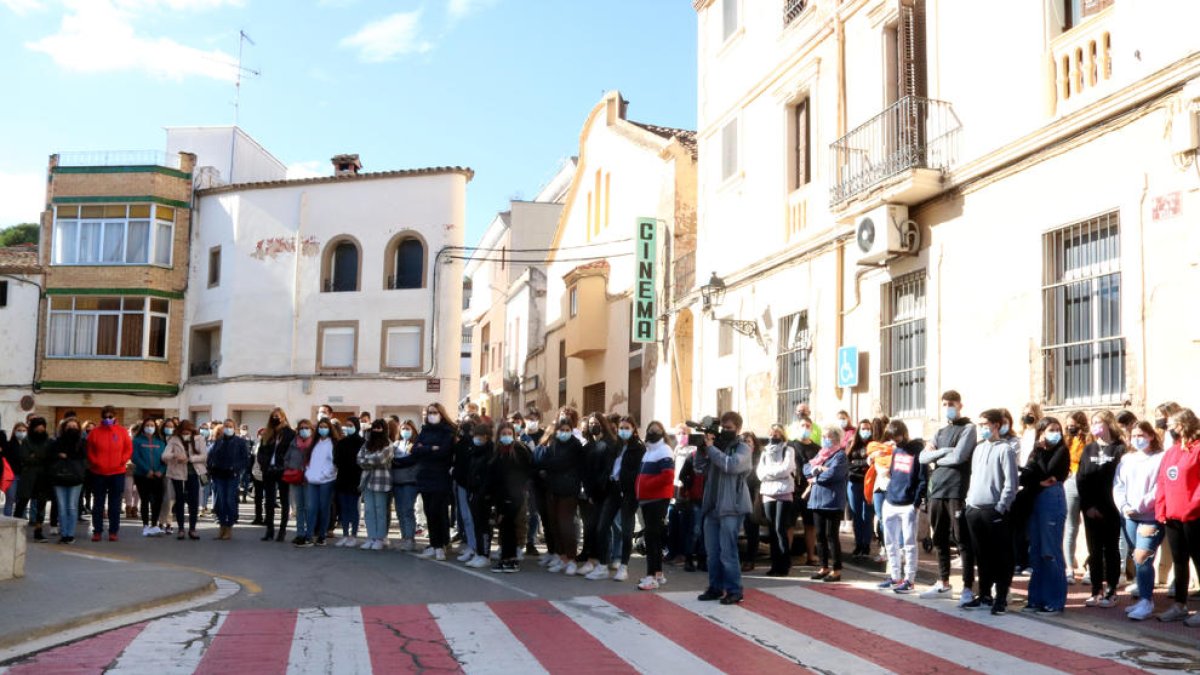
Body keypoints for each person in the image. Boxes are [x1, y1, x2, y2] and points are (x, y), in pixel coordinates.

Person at [919, 391, 977, 602]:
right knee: (939, 537)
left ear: (960, 405)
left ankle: (968, 588)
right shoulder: (940, 431)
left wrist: (938, 455)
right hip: (937, 490)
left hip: (957, 490)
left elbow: (960, 456)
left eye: (951, 404)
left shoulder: (969, 428)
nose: (947, 407)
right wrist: (945, 452)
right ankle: (943, 582)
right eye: (944, 404)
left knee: (962, 538)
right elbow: (923, 458)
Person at [964, 409, 1019, 615]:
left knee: (1001, 556)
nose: (982, 429)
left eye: (985, 425)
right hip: (975, 510)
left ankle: (1001, 598)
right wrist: (969, 503)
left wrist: (1000, 507)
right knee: (982, 555)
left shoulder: (1005, 449)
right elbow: (973, 477)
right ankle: (984, 594)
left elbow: (1011, 483)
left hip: (994, 511)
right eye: (980, 425)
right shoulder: (978, 449)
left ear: (996, 425)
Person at [696, 412, 753, 606]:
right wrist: (702, 450)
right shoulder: (716, 447)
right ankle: (715, 587)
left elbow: (731, 465)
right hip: (712, 506)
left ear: (738, 428)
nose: (725, 431)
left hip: (732, 506)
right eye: (723, 428)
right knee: (712, 552)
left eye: (729, 428)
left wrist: (712, 450)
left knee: (727, 551)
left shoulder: (743, 448)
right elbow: (699, 468)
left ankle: (734, 590)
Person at [1115, 420, 1166, 620]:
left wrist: (1140, 506)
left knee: (1143, 557)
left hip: (1150, 517)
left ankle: (1146, 600)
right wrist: (1124, 506)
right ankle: (1143, 597)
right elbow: (1118, 484)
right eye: (1134, 436)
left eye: (1141, 436)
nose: (1137, 439)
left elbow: (1159, 487)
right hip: (1129, 516)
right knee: (1136, 558)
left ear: (1151, 436)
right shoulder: (1127, 459)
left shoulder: (1160, 458)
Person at [1154, 408, 1200, 623]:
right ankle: (1179, 605)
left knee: (1199, 560)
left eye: (1174, 425)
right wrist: (1161, 508)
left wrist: (1193, 507)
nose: (1170, 429)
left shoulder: (1198, 449)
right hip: (1172, 516)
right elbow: (1163, 481)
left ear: (1185, 424)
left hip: (1194, 515)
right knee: (1179, 561)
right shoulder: (1171, 451)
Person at [1021, 417, 1070, 614]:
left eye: (1058, 429)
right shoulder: (1036, 451)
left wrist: (1039, 459)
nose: (1055, 432)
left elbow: (1050, 471)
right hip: (1036, 499)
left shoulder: (1061, 451)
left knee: (1050, 552)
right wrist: (1038, 481)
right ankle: (1036, 598)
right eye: (1051, 429)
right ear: (1041, 432)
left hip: (1052, 500)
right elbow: (1026, 475)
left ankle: (1055, 600)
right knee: (1036, 551)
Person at [587, 416, 644, 581]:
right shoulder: (617, 446)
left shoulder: (638, 449)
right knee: (602, 527)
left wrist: (629, 488)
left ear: (633, 429)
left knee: (626, 530)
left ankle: (623, 565)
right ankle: (603, 565)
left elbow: (637, 473)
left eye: (627, 427)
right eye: (621, 428)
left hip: (628, 494)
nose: (623, 431)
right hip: (612, 490)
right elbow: (609, 467)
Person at [1078, 410, 1125, 607]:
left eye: (1100, 422)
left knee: (1111, 550)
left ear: (1109, 424)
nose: (1096, 425)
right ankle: (1096, 589)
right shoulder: (1088, 449)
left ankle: (1112, 590)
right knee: (1094, 550)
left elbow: (1119, 480)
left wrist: (1109, 506)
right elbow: (1081, 480)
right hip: (1090, 510)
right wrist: (1087, 506)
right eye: (1093, 422)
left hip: (1111, 509)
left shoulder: (1119, 449)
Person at [877, 420, 926, 594]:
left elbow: (922, 478)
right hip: (890, 500)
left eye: (896, 436)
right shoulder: (896, 449)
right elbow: (893, 472)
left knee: (909, 544)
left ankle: (909, 580)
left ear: (904, 433)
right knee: (890, 542)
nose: (894, 441)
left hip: (908, 504)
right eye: (891, 438)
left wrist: (916, 502)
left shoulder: (918, 451)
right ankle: (895, 576)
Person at [538, 418, 584, 574]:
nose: (564, 433)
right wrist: (551, 465)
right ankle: (562, 556)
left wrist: (552, 465)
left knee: (566, 525)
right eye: (561, 430)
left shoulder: (575, 446)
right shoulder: (554, 444)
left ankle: (571, 559)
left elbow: (560, 463)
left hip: (568, 491)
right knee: (554, 524)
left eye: (567, 430)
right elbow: (545, 461)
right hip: (553, 489)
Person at [632, 420, 674, 590]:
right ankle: (657, 573)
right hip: (647, 500)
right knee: (653, 538)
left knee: (652, 538)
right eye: (650, 430)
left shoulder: (664, 450)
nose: (652, 433)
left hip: (657, 500)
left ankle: (651, 576)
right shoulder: (649, 451)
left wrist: (647, 486)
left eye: (656, 430)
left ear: (662, 433)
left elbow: (667, 476)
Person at [488, 421, 533, 573]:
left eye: (509, 434)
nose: (506, 437)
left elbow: (525, 472)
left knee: (509, 526)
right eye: (503, 434)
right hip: (501, 495)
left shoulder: (519, 450)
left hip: (514, 495)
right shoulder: (498, 451)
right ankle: (506, 558)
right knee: (504, 527)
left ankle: (511, 559)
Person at [805, 426, 849, 583]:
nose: (824, 439)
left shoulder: (840, 456)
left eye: (827, 436)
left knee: (831, 536)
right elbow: (806, 469)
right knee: (820, 536)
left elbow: (833, 474)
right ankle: (824, 567)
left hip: (832, 501)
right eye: (823, 436)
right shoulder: (821, 454)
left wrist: (816, 477)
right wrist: (818, 468)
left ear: (836, 439)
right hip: (817, 501)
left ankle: (837, 569)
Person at [413, 403, 456, 560]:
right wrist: (431, 449)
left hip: (441, 477)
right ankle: (434, 543)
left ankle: (440, 545)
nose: (431, 415)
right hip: (425, 476)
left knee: (438, 511)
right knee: (429, 512)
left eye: (434, 412)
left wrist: (425, 448)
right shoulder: (424, 430)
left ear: (441, 413)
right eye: (429, 412)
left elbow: (444, 452)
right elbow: (415, 450)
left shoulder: (448, 431)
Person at [578, 413, 618, 577]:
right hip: (591, 493)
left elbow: (606, 471)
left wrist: (596, 492)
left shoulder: (609, 445)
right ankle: (593, 560)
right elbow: (586, 472)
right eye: (591, 423)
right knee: (591, 527)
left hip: (605, 493)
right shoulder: (589, 446)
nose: (593, 425)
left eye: (597, 422)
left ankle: (601, 562)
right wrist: (589, 492)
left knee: (601, 528)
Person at [86, 406, 133, 542]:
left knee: (115, 504)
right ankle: (97, 531)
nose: (108, 419)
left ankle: (113, 531)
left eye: (110, 417)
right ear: (102, 418)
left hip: (117, 472)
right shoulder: (94, 432)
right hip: (98, 472)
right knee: (98, 504)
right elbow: (90, 450)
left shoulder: (122, 432)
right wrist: (95, 462)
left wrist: (122, 461)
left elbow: (128, 448)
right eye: (105, 417)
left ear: (115, 417)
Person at [758, 424, 796, 576]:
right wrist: (773, 474)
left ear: (782, 435)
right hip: (768, 493)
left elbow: (786, 468)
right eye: (771, 434)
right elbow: (760, 472)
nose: (774, 437)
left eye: (777, 434)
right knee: (772, 530)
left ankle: (784, 564)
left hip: (783, 492)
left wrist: (770, 474)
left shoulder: (788, 450)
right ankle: (774, 564)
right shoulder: (764, 452)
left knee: (780, 528)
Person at [163, 421, 207, 540]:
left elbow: (204, 456)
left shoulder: (199, 439)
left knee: (193, 501)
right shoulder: (174, 440)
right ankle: (181, 529)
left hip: (194, 473)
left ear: (192, 431)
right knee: (179, 501)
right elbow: (164, 455)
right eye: (183, 432)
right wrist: (175, 456)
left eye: (188, 432)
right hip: (178, 474)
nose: (186, 434)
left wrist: (189, 458)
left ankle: (192, 528)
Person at [207, 418, 248, 540]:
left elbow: (245, 460)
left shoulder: (240, 442)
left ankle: (229, 526)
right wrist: (211, 468)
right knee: (220, 502)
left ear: (234, 428)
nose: (228, 428)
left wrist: (235, 468)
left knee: (230, 501)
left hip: (232, 476)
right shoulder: (218, 441)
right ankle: (222, 526)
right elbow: (211, 456)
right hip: (219, 475)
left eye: (230, 426)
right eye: (226, 426)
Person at [257, 409, 295, 542]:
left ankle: (282, 531)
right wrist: (263, 465)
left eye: (277, 417)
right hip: (269, 470)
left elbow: (292, 452)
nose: (275, 419)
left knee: (284, 501)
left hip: (283, 470)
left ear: (283, 417)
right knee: (269, 500)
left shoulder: (290, 434)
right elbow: (260, 452)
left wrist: (286, 466)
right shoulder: (267, 433)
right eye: (273, 417)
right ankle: (269, 530)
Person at [48, 418, 86, 544]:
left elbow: (83, 457)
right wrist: (60, 455)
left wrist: (67, 455)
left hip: (76, 478)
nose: (72, 429)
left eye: (74, 426)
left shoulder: (82, 442)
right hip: (59, 478)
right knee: (62, 507)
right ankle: (64, 534)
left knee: (71, 507)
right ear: (64, 428)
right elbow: (51, 456)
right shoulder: (56, 442)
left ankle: (70, 534)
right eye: (69, 426)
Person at [356, 419, 393, 551]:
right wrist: (371, 460)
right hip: (367, 481)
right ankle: (371, 536)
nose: (376, 430)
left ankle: (380, 538)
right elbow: (359, 459)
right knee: (369, 511)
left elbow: (381, 459)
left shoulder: (388, 443)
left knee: (380, 510)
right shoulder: (366, 444)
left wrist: (368, 460)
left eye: (379, 427)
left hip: (382, 482)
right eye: (375, 427)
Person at [462, 423, 495, 568]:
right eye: (475, 436)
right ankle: (479, 552)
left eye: (479, 436)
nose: (476, 439)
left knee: (485, 526)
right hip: (473, 493)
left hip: (485, 495)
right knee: (477, 524)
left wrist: (485, 493)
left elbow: (490, 476)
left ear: (486, 437)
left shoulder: (491, 452)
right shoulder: (474, 451)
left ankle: (485, 554)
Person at [1063, 410, 1090, 584]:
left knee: (1090, 529)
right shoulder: (1066, 440)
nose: (1070, 428)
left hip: (1087, 483)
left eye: (1073, 425)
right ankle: (1069, 569)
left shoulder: (1089, 440)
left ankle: (1090, 568)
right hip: (1070, 482)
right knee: (1071, 527)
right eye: (1068, 425)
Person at [305, 418, 340, 546]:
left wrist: (326, 474)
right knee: (311, 508)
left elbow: (334, 464)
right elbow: (310, 460)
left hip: (327, 480)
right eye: (321, 426)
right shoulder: (315, 443)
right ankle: (309, 535)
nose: (322, 429)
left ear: (330, 428)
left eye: (325, 427)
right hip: (313, 480)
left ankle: (322, 535)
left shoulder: (333, 443)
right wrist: (308, 473)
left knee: (324, 508)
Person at [790, 415, 820, 566]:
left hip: (810, 491)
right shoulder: (790, 446)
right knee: (789, 524)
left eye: (808, 426)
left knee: (810, 524)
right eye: (803, 425)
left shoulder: (816, 448)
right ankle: (785, 556)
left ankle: (811, 555)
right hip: (793, 490)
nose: (805, 429)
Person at [17, 417, 52, 541]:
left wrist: (35, 455)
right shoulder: (27, 440)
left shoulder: (48, 441)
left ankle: (38, 531)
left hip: (43, 478)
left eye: (42, 425)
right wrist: (39, 457)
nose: (40, 428)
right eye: (37, 425)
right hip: (28, 477)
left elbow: (49, 457)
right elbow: (24, 458)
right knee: (22, 504)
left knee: (41, 506)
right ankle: (16, 530)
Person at [131, 417, 167, 537]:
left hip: (158, 475)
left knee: (158, 500)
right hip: (142, 475)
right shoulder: (136, 440)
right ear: (143, 427)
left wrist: (161, 471)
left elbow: (165, 459)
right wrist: (147, 470)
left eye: (152, 425)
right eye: (147, 425)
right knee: (145, 500)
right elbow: (135, 457)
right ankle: (146, 525)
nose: (150, 427)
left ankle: (155, 524)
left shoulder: (160, 442)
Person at [283, 419, 316, 546]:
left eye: (306, 427)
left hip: (309, 479)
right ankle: (300, 534)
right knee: (299, 508)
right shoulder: (294, 443)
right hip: (296, 478)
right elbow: (286, 458)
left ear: (311, 430)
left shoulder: (314, 443)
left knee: (309, 508)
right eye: (301, 428)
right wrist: (291, 467)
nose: (304, 430)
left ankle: (309, 534)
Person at [333, 418, 364, 547]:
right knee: (344, 509)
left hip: (355, 479)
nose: (348, 427)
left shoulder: (362, 442)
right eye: (347, 425)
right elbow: (336, 460)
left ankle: (354, 535)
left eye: (351, 425)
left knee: (353, 508)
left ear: (356, 426)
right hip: (342, 478)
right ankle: (345, 534)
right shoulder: (341, 443)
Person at [845, 420, 873, 558]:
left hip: (868, 483)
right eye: (863, 428)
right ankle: (858, 544)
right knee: (856, 515)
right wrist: (862, 463)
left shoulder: (873, 445)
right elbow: (847, 463)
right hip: (853, 482)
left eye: (868, 428)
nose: (866, 431)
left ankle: (866, 545)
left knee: (867, 515)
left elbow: (873, 464)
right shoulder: (852, 444)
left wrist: (857, 463)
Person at [391, 420, 420, 551]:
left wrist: (399, 462)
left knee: (408, 510)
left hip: (410, 482)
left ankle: (410, 538)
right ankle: (404, 537)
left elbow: (412, 461)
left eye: (408, 428)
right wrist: (400, 462)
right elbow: (390, 460)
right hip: (397, 481)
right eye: (403, 428)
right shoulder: (396, 444)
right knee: (399, 511)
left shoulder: (416, 445)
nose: (405, 431)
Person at [2, 422, 27, 517]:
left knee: (22, 500)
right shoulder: (8, 445)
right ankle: (7, 520)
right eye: (19, 430)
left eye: (24, 431)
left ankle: (21, 522)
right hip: (12, 475)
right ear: (14, 431)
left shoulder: (28, 445)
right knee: (10, 498)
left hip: (25, 475)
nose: (21, 433)